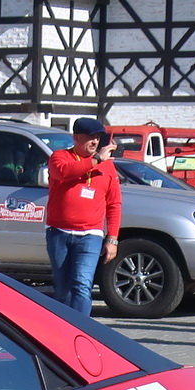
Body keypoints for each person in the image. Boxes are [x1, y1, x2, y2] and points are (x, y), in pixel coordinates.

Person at [45, 116, 122, 314]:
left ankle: (81, 331)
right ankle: (61, 329)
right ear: (76, 138)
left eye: (97, 138)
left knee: (82, 284)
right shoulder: (60, 157)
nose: (95, 142)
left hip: (91, 234)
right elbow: (63, 172)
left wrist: (112, 239)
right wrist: (95, 160)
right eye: (90, 138)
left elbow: (114, 203)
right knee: (62, 289)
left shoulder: (107, 166)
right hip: (59, 232)